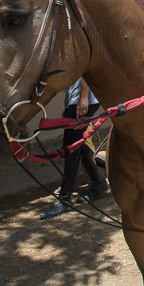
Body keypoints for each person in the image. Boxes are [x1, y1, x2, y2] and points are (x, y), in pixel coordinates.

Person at [40, 78, 111, 219]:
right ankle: (100, 184)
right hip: (76, 100)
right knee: (78, 144)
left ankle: (65, 199)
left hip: (83, 101)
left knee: (70, 146)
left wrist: (83, 98)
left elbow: (85, 71)